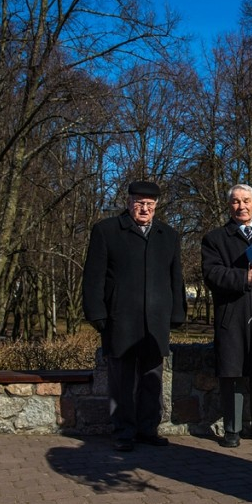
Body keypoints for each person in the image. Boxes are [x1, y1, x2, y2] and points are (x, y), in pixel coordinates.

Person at [82, 180, 186, 452]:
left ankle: (147, 429)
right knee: (122, 381)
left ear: (156, 206)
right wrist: (96, 313)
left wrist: (177, 313)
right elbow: (93, 276)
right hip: (120, 319)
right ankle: (123, 431)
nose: (144, 209)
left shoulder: (169, 235)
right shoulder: (106, 231)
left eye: (149, 205)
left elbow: (176, 278)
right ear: (128, 202)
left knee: (152, 379)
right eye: (139, 203)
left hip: (156, 321)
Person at [201, 185, 252, 447]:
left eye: (246, 201)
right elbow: (212, 274)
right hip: (232, 312)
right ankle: (232, 428)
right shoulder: (215, 238)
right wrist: (244, 277)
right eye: (235, 202)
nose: (241, 206)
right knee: (232, 371)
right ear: (229, 206)